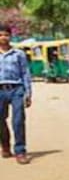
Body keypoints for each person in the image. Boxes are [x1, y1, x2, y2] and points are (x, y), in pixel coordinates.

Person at [0, 24, 32, 164]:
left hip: (16, 89)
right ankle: (5, 146)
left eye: (6, 35)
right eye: (1, 35)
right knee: (0, 120)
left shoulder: (19, 54)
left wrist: (28, 93)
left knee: (18, 121)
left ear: (10, 36)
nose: (3, 37)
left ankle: (20, 151)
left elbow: (25, 73)